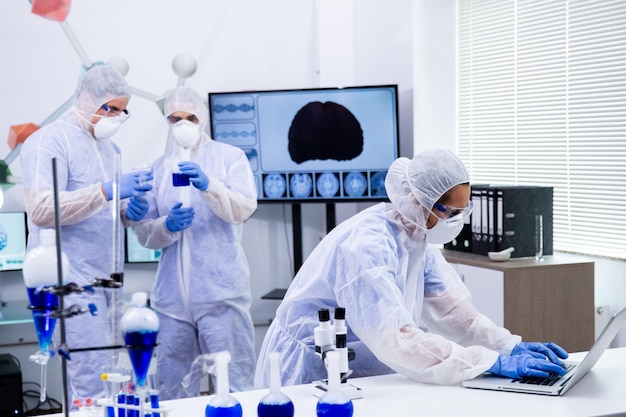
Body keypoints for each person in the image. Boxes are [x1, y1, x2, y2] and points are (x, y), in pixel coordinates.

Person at [255, 148, 569, 388]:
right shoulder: (366, 247)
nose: (459, 220)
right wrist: (490, 361)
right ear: (422, 201)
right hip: (309, 366)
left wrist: (509, 345)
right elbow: (398, 340)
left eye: (465, 209)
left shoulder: (416, 236)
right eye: (453, 211)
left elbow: (453, 312)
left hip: (360, 364)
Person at [20, 64, 153, 402]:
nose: (115, 117)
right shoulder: (48, 141)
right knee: (89, 384)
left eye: (122, 112)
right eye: (110, 108)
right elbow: (41, 210)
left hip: (106, 283)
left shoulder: (112, 151)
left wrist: (126, 211)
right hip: (68, 282)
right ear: (84, 98)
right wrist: (107, 191)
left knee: (107, 377)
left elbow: (100, 210)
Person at [131, 86, 258, 399]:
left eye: (190, 117)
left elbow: (243, 209)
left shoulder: (230, 159)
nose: (183, 124)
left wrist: (210, 186)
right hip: (172, 302)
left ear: (202, 117)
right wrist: (166, 225)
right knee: (172, 390)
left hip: (221, 295)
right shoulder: (159, 170)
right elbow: (145, 233)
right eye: (175, 118)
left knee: (234, 386)